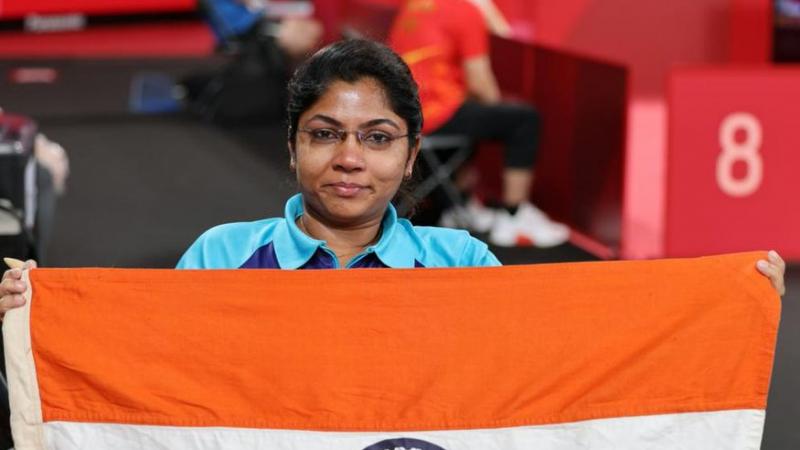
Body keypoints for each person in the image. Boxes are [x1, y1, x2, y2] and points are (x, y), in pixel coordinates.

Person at [0, 40, 787, 300]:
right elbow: (151, 379)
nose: (349, 159)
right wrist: (41, 310)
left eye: (377, 138)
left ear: (412, 155)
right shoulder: (219, 256)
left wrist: (721, 296)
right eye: (325, 134)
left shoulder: (465, 265)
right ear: (292, 145)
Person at [388, 0, 569, 247]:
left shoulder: (415, 5)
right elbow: (480, 83)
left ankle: (458, 204)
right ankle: (513, 215)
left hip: (405, 112)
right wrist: (496, 106)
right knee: (523, 119)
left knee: (474, 115)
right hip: (436, 112)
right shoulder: (465, 11)